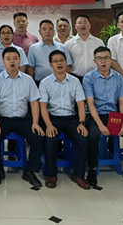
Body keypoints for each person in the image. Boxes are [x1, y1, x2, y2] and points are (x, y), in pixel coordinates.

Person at [83, 46, 123, 188]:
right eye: (100, 59)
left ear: (111, 60)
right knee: (93, 135)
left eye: (106, 58)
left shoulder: (118, 77)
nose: (103, 61)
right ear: (95, 61)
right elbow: (90, 104)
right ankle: (92, 169)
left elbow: (122, 101)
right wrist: (100, 125)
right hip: (95, 115)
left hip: (113, 115)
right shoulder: (89, 78)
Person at [0, 47, 45, 188]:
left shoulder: (28, 80)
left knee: (38, 137)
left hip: (22, 119)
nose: (12, 61)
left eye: (15, 58)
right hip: (2, 119)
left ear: (20, 60)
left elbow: (34, 102)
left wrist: (35, 123)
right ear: (3, 61)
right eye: (8, 59)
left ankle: (30, 171)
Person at [39, 50, 90, 189]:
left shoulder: (74, 81)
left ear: (66, 62)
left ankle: (78, 174)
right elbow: (43, 107)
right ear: (51, 65)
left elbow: (81, 104)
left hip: (71, 118)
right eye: (55, 61)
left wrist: (81, 123)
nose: (59, 63)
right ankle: (51, 175)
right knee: (50, 139)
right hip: (53, 118)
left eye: (61, 60)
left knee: (82, 138)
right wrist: (49, 125)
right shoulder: (45, 82)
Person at [27, 20, 72, 84]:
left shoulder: (62, 47)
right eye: (44, 29)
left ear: (54, 31)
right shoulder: (33, 48)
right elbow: (31, 67)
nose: (47, 31)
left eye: (50, 29)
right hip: (39, 82)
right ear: (40, 32)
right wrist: (32, 83)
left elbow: (67, 66)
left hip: (60, 82)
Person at [65, 15, 105, 81]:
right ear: (75, 26)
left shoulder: (99, 42)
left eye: (85, 22)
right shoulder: (68, 44)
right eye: (80, 23)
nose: (82, 25)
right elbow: (66, 64)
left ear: (90, 25)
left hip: (95, 78)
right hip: (76, 78)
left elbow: (103, 60)